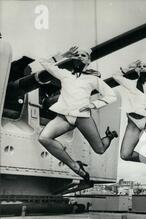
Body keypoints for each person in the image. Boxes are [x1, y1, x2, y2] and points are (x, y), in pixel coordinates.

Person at [38, 47, 118, 180]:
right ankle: (75, 166)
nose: (80, 56)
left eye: (84, 55)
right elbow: (44, 62)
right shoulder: (65, 74)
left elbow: (111, 95)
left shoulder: (93, 79)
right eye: (78, 55)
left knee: (100, 150)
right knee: (44, 138)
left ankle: (109, 137)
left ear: (89, 60)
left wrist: (93, 105)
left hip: (82, 118)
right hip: (63, 116)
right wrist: (63, 55)